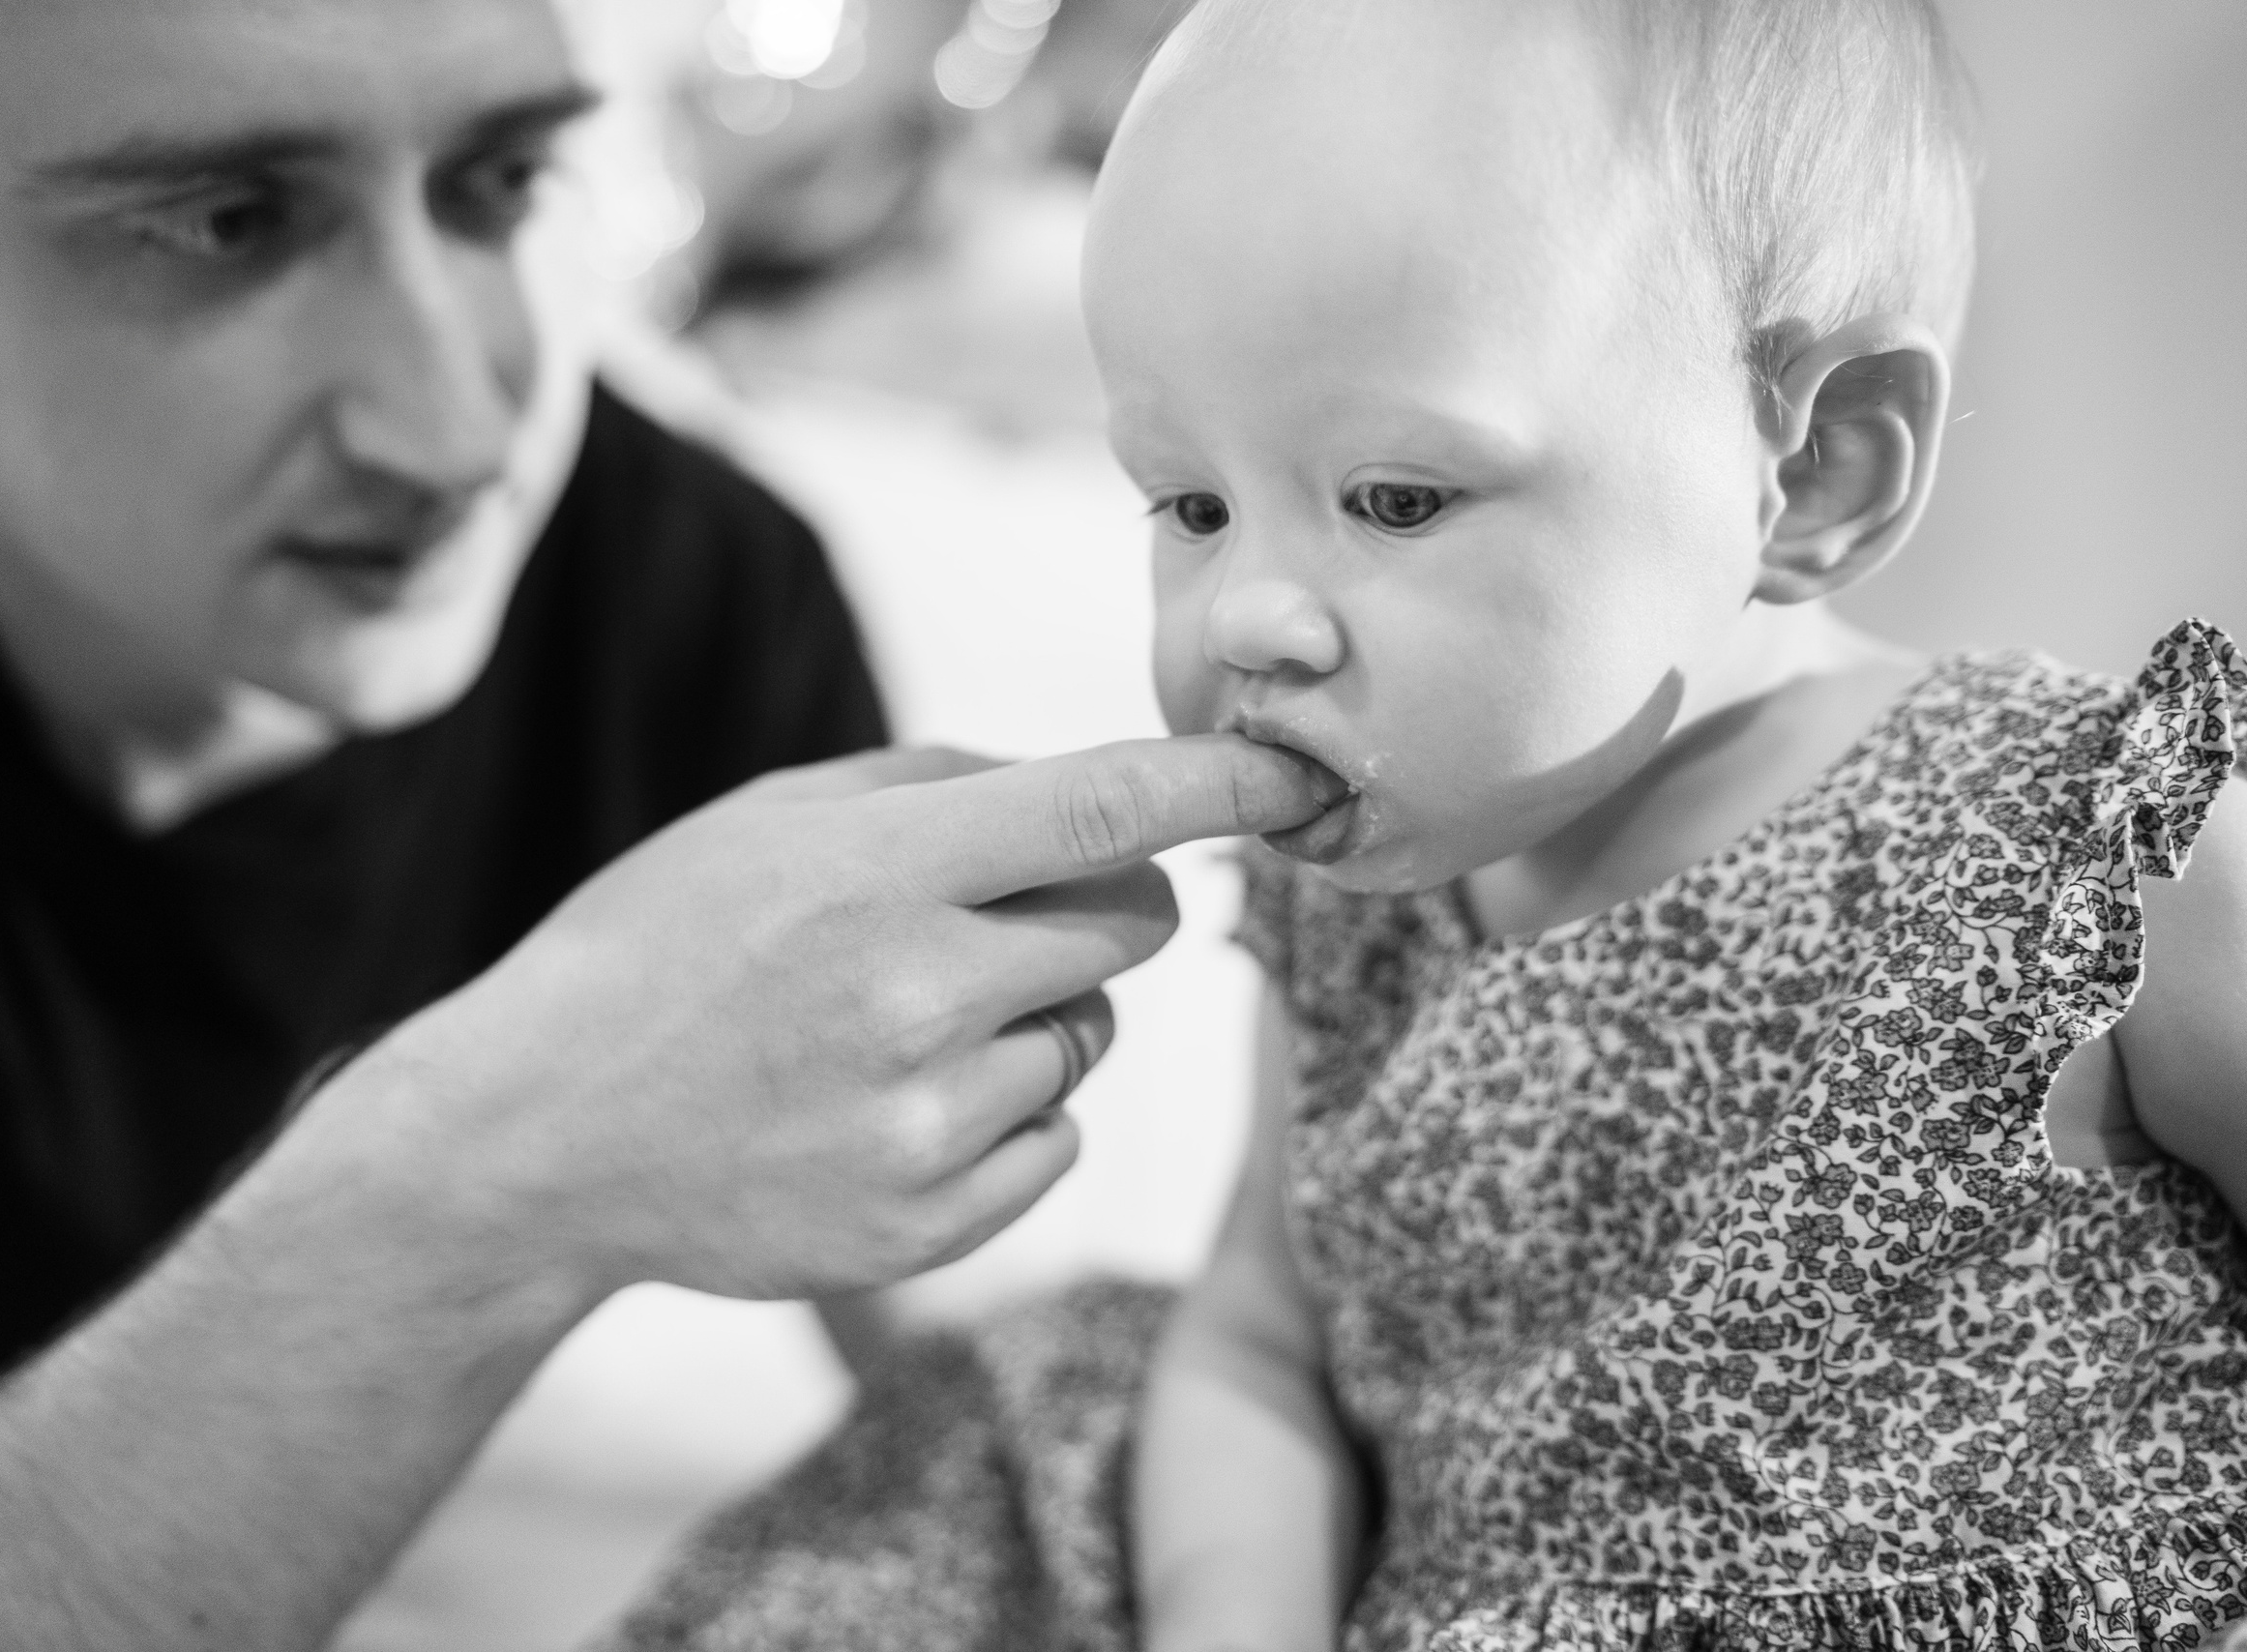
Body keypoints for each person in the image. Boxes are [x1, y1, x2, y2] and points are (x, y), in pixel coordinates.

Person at [597, 1, 2247, 1648]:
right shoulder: (1358, 901)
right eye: (1191, 504)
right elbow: (1266, 1343)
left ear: (1812, 471)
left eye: (1395, 499)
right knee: (1013, 1440)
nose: (1250, 615)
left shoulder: (2089, 843)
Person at [0, 0, 1344, 1644]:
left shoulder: (687, 581)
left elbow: (972, 1357)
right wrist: (486, 1173)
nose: (455, 427)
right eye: (226, 223)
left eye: (502, 176)